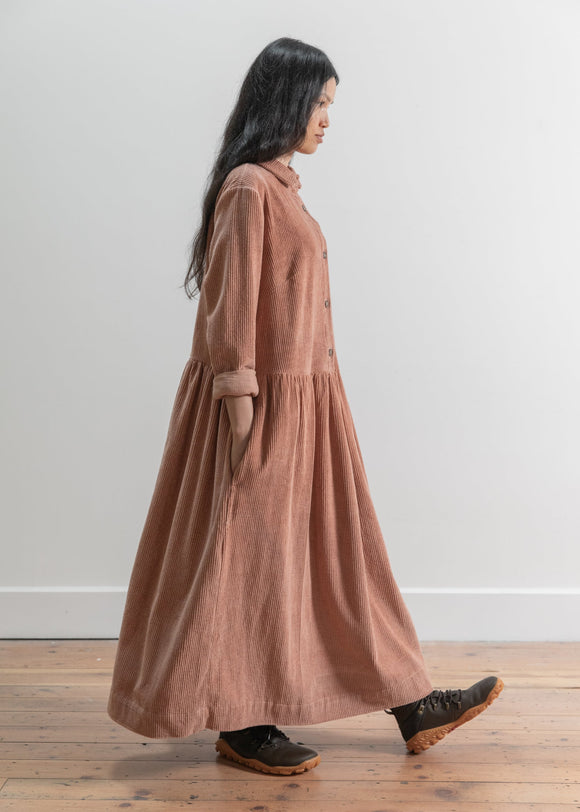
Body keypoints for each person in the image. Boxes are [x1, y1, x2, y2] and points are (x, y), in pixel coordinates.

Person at [107, 37, 503, 777]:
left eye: (330, 105)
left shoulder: (282, 187)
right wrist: (242, 415)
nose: (327, 119)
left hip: (313, 408)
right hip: (259, 412)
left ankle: (411, 702)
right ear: (283, 101)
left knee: (343, 560)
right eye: (319, 103)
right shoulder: (250, 188)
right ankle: (243, 724)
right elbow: (231, 312)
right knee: (247, 567)